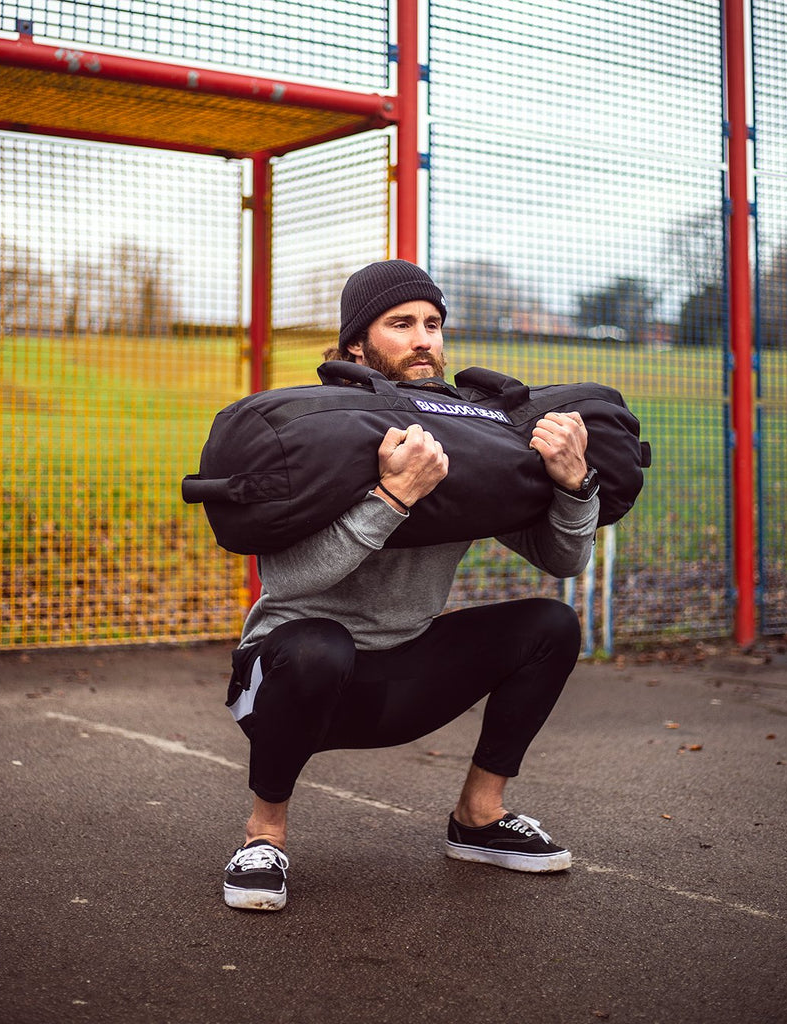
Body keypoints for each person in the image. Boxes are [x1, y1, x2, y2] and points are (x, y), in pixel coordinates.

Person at [223, 259, 600, 911]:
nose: (424, 337)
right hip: (291, 681)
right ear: (353, 346)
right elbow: (290, 579)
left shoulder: (460, 439)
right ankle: (264, 837)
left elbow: (559, 560)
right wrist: (391, 497)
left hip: (403, 683)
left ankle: (478, 820)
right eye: (400, 324)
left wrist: (572, 486)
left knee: (550, 625)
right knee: (318, 643)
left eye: (433, 323)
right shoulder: (320, 436)